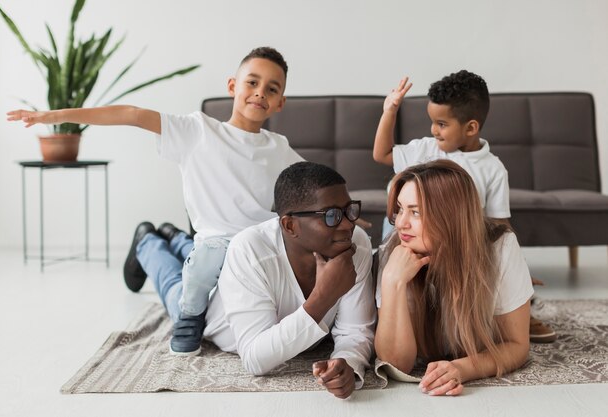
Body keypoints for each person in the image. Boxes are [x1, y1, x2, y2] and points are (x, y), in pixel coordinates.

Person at [7, 47, 304, 355]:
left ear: (280, 102)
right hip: (214, 249)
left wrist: (351, 217)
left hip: (253, 252)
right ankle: (152, 250)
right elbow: (131, 115)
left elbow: (317, 187)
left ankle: (172, 237)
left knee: (216, 260)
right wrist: (54, 117)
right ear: (232, 86)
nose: (260, 93)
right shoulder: (197, 130)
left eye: (272, 89)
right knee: (203, 268)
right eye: (252, 83)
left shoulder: (278, 148)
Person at [372, 70, 556, 343]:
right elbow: (382, 154)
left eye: (442, 124)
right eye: (432, 122)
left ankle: (518, 310)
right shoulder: (426, 149)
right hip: (412, 235)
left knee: (492, 275)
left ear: (471, 127)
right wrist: (390, 110)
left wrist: (516, 265)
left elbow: (498, 224)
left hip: (458, 244)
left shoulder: (492, 168)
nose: (434, 130)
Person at [205, 161, 375, 399]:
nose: (348, 224)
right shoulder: (249, 250)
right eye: (331, 215)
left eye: (349, 210)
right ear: (290, 225)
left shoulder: (356, 243)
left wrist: (347, 362)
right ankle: (154, 244)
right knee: (174, 291)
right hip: (214, 322)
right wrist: (323, 297)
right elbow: (255, 359)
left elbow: (355, 330)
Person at [375, 159, 533, 396]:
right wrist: (392, 283)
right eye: (400, 209)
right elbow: (396, 363)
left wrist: (463, 368)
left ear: (450, 216)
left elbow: (517, 345)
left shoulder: (500, 247)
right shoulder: (393, 251)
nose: (400, 223)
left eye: (415, 212)